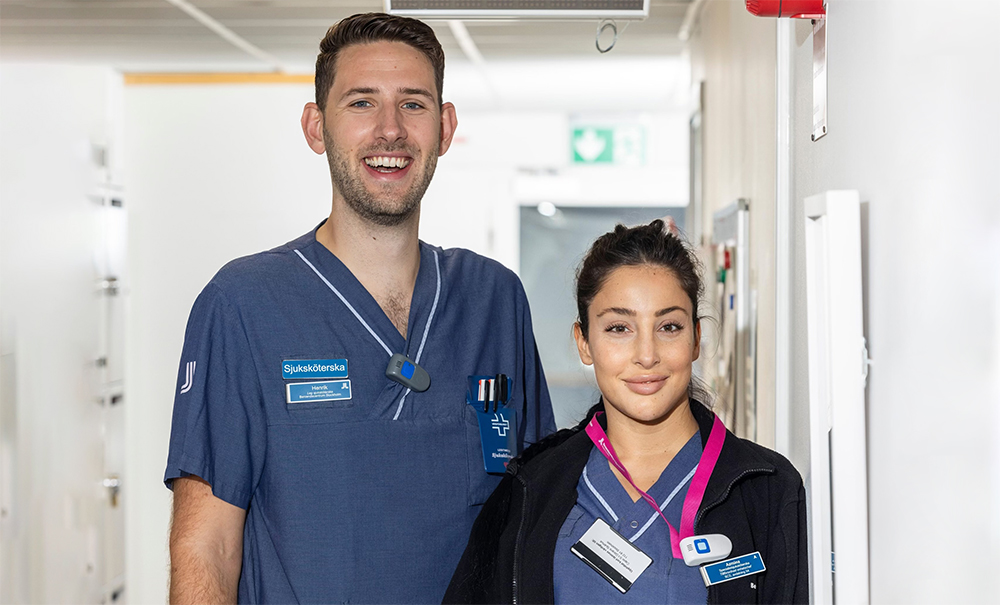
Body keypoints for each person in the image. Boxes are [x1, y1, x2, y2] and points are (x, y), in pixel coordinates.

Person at [164, 13, 555, 603]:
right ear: (316, 126)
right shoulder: (243, 305)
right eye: (362, 103)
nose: (390, 131)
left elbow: (535, 519)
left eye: (414, 104)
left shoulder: (494, 300)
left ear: (445, 128)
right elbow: (207, 548)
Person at [445, 220, 807, 604]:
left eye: (669, 326)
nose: (647, 355)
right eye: (619, 328)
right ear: (584, 343)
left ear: (696, 339)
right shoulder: (530, 488)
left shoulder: (767, 490)